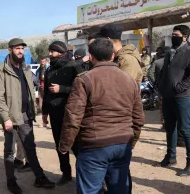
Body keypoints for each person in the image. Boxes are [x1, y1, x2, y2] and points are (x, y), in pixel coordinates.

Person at [59, 38, 145, 194]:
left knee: (90, 190)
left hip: (94, 146)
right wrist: (130, 143)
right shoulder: (130, 81)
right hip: (122, 143)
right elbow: (139, 119)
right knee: (120, 190)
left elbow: (73, 117)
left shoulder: (84, 79)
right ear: (113, 56)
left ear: (91, 57)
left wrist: (65, 145)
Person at [0, 38, 55, 194]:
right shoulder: (1, 70)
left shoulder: (26, 68)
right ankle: (11, 181)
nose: (20, 51)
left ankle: (39, 177)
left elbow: (30, 90)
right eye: (17, 48)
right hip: (11, 117)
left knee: (30, 148)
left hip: (26, 116)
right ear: (9, 50)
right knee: (9, 151)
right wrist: (6, 118)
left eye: (22, 48)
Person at [41, 41, 87, 186]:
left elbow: (83, 90)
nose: (50, 54)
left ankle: (85, 175)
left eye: (53, 51)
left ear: (61, 52)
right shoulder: (49, 70)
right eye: (49, 51)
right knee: (60, 145)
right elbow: (47, 93)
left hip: (72, 114)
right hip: (55, 114)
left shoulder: (74, 67)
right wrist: (44, 112)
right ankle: (66, 174)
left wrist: (62, 89)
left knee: (77, 146)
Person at [158, 25, 190, 176]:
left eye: (176, 34)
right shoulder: (170, 52)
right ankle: (171, 157)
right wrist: (162, 87)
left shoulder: (188, 52)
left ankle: (189, 163)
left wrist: (180, 87)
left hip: (182, 96)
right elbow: (165, 71)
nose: (173, 36)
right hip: (167, 95)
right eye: (172, 34)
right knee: (170, 128)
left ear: (185, 36)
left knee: (185, 129)